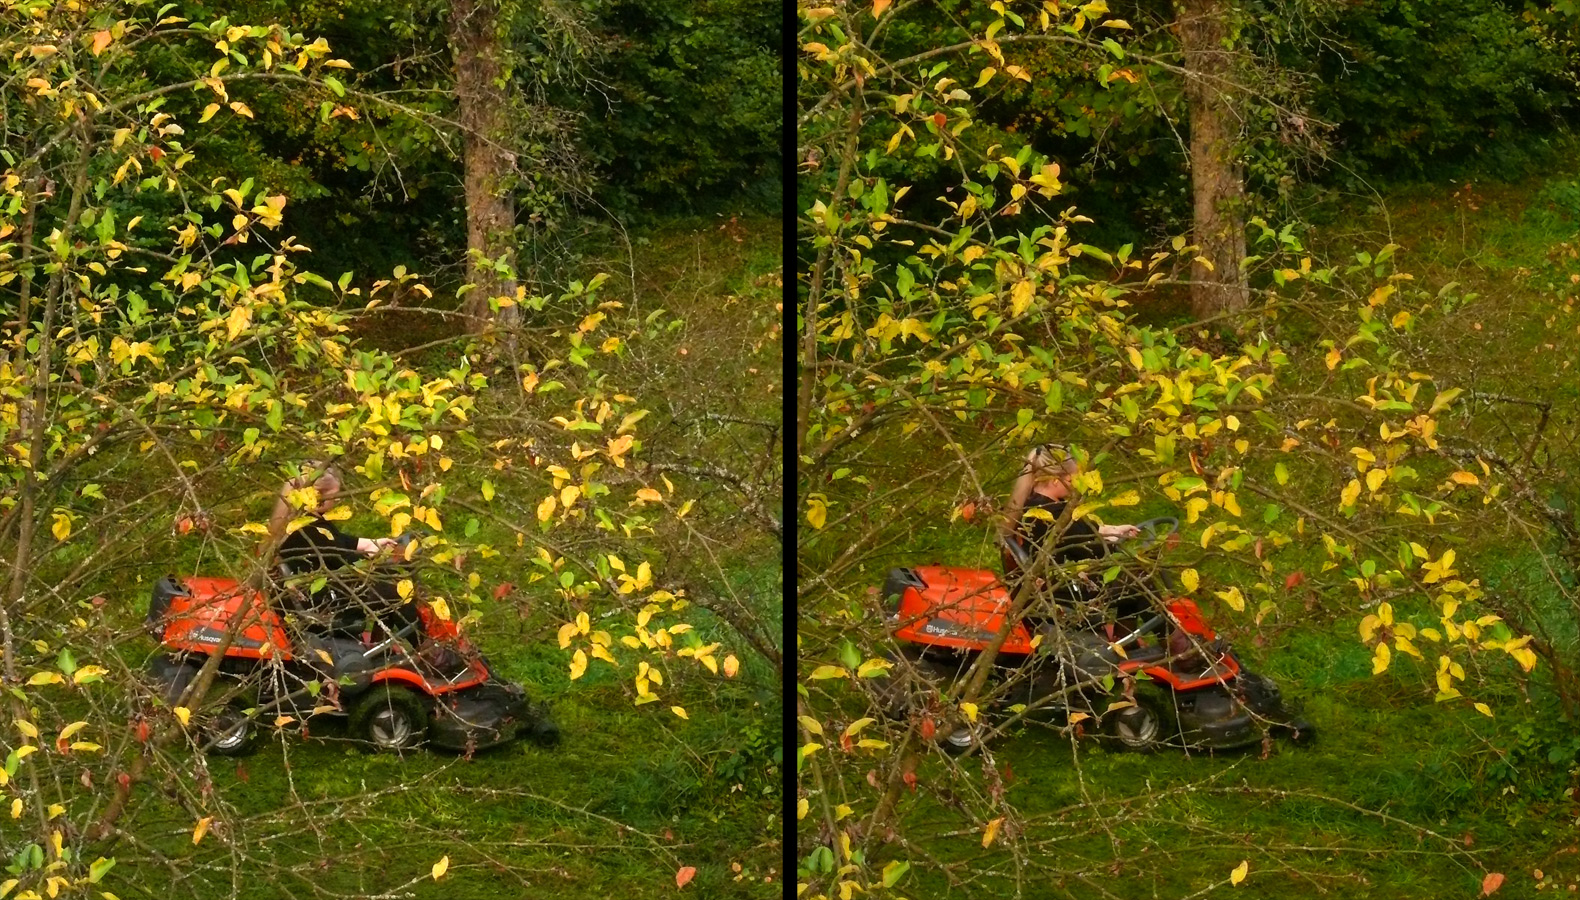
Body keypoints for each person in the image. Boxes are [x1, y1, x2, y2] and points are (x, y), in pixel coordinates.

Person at [267, 462, 401, 632]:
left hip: (312, 594)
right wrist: (376, 558)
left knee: (385, 582)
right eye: (335, 496)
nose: (338, 500)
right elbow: (347, 561)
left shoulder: (298, 522)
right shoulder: (314, 530)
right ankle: (424, 647)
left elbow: (338, 541)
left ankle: (382, 647)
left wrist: (368, 543)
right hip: (323, 603)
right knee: (396, 587)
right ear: (317, 496)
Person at [1000, 443, 1139, 563]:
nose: (1074, 484)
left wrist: (1113, 530)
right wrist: (1114, 542)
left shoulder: (1033, 503)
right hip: (1067, 589)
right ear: (1055, 480)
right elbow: (1091, 552)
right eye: (1071, 479)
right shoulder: (1053, 516)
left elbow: (1084, 530)